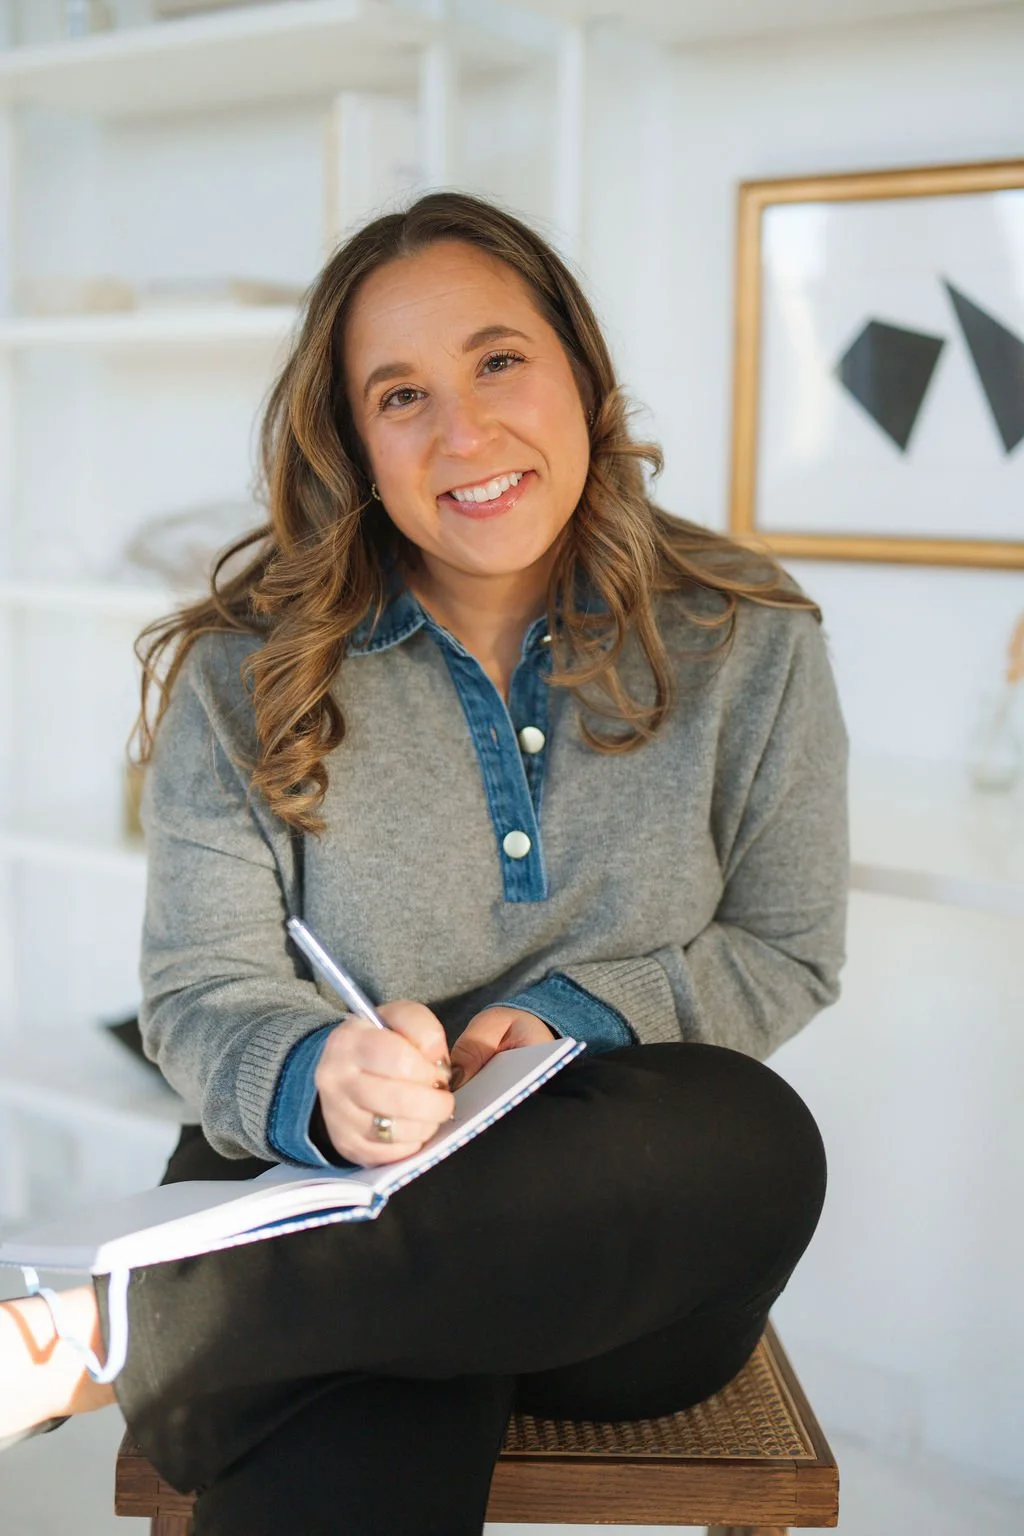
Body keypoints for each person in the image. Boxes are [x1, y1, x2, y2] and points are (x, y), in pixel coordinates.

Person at [0, 191, 848, 1534]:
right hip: (309, 1195)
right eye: (401, 395)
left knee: (762, 1143)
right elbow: (199, 993)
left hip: (614, 1242)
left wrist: (571, 1019)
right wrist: (321, 1078)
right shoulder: (244, 668)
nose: (465, 433)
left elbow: (787, 944)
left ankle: (110, 1332)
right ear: (354, 445)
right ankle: (224, 1322)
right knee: (365, 1378)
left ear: (578, 365)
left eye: (499, 360)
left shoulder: (748, 634)